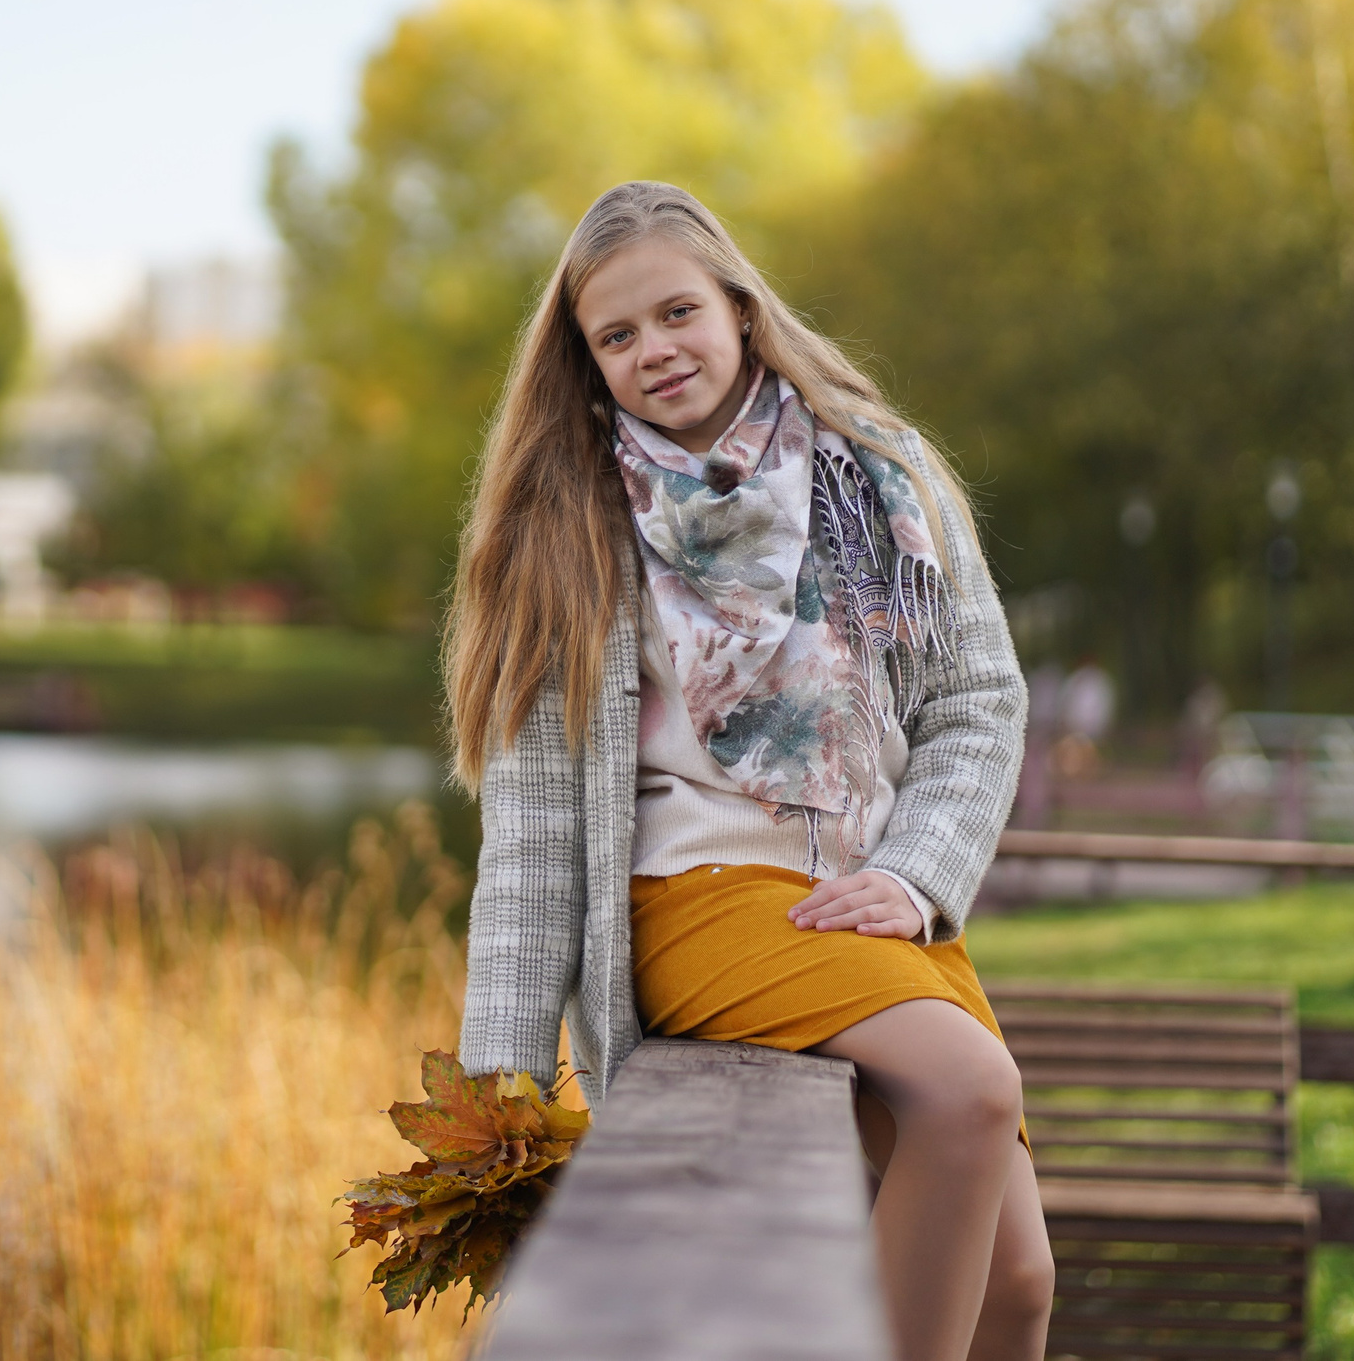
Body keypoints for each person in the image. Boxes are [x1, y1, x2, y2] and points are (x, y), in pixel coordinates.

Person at [448, 181, 1046, 1360]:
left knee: (1017, 1287)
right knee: (971, 1090)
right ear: (585, 361)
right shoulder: (565, 529)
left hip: (865, 899)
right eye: (616, 335)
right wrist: (496, 1105)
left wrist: (917, 874)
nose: (654, 349)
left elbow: (979, 702)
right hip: (700, 897)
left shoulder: (882, 473)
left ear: (737, 305)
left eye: (676, 313)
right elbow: (529, 844)